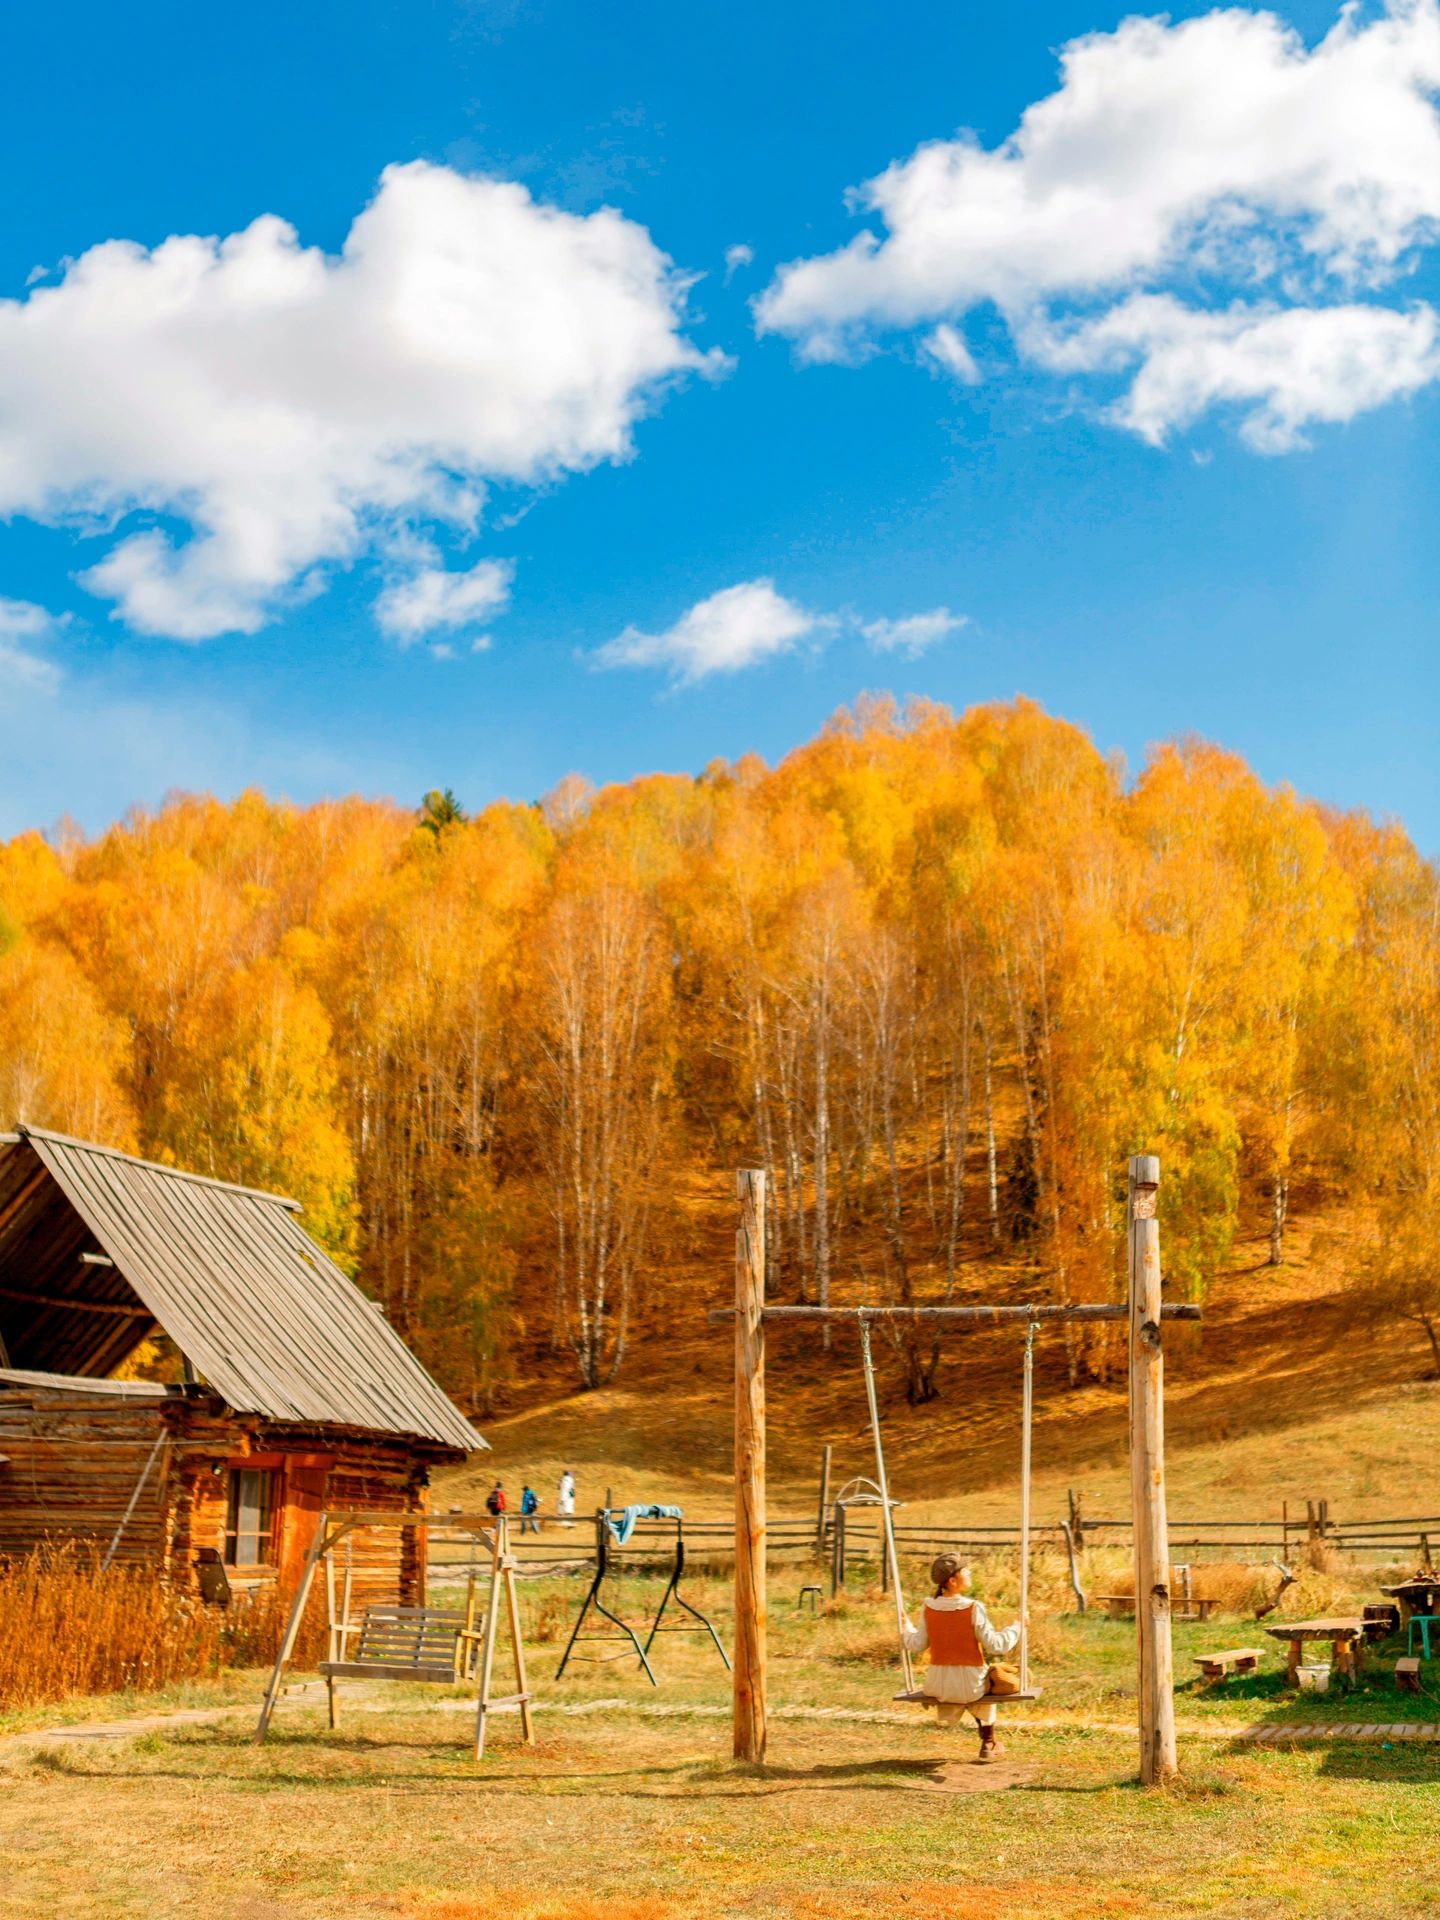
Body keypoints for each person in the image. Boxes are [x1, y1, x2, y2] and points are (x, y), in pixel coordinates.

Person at [902, 1552, 1025, 1764]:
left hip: (937, 1686)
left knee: (977, 1680)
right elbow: (997, 1645)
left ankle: (989, 1741)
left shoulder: (928, 1607)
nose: (969, 1572)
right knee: (990, 1678)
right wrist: (1018, 1625)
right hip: (971, 1687)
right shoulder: (973, 1608)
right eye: (965, 1570)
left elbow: (917, 1644)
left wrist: (905, 1627)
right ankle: (988, 1741)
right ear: (952, 1580)